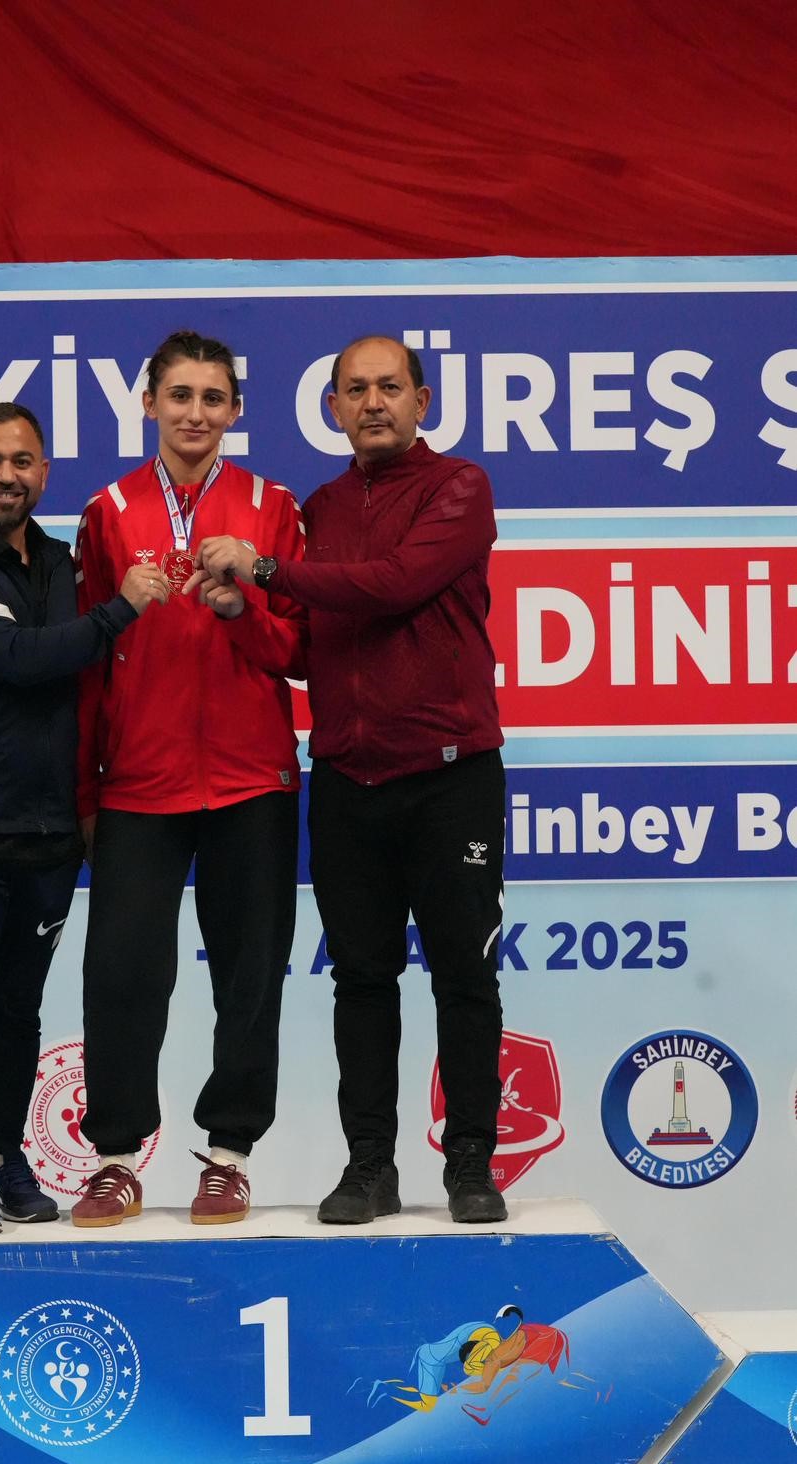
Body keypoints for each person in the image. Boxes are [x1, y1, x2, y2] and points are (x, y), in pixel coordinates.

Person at [192, 335, 507, 1226]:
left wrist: (259, 567)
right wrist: (243, 614)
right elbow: (304, 645)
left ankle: (471, 1165)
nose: (373, 403)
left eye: (389, 387)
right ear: (331, 408)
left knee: (464, 976)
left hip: (451, 777)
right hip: (347, 778)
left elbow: (395, 584)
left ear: (422, 400)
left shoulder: (460, 487)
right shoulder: (321, 508)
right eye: (355, 390)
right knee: (361, 980)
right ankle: (370, 1166)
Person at [0, 401, 164, 1235]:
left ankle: (6, 1158)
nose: (6, 476)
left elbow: (89, 684)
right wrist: (121, 609)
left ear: (44, 472)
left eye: (21, 461)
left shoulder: (59, 563)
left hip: (47, 833)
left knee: (18, 1013)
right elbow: (19, 658)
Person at [70, 330, 306, 1228]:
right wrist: (86, 789)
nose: (195, 414)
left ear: (236, 410)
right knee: (123, 974)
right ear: (149, 403)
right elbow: (88, 660)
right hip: (139, 778)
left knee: (250, 973)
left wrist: (244, 610)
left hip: (251, 777)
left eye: (213, 398)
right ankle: (115, 1158)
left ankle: (229, 1155)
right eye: (180, 396)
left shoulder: (272, 507)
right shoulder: (108, 511)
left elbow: (301, 649)